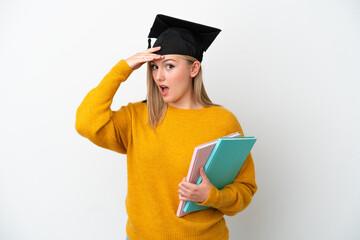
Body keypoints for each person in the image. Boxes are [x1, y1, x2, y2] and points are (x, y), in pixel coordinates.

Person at [75, 14, 257, 240]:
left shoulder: (222, 121)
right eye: (154, 67)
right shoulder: (139, 116)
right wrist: (123, 69)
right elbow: (86, 122)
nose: (158, 76)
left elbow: (244, 190)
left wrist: (211, 195)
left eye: (169, 66)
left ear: (193, 69)